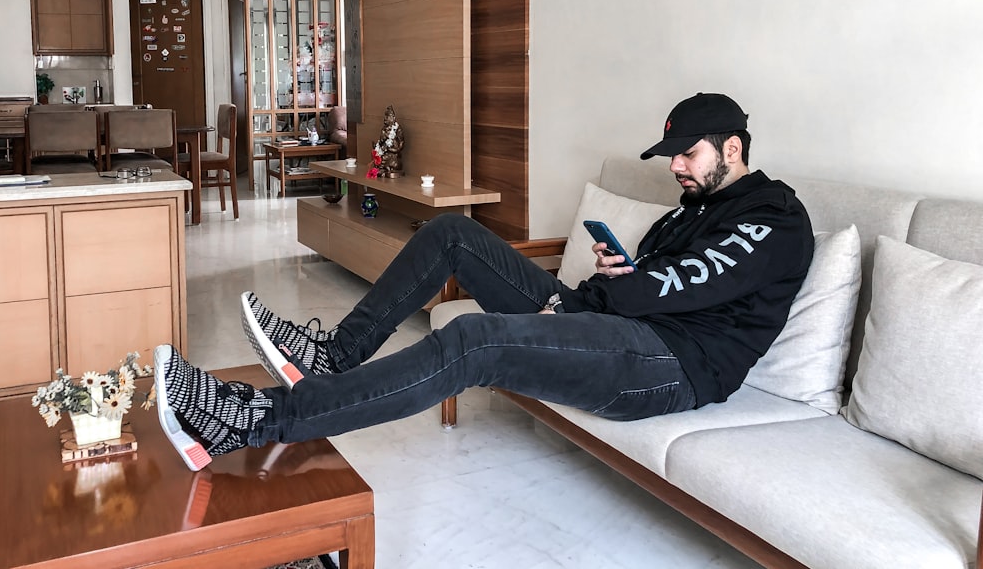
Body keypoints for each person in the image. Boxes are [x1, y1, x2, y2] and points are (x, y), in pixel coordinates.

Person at [154, 92, 815, 472]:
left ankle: (256, 419)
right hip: (617, 325)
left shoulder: (775, 218)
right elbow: (656, 280)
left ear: (734, 148)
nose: (676, 166)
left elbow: (683, 288)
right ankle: (331, 355)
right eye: (672, 154)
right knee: (449, 234)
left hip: (673, 363)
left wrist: (618, 292)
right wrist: (616, 281)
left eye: (688, 154)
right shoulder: (692, 209)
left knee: (473, 339)